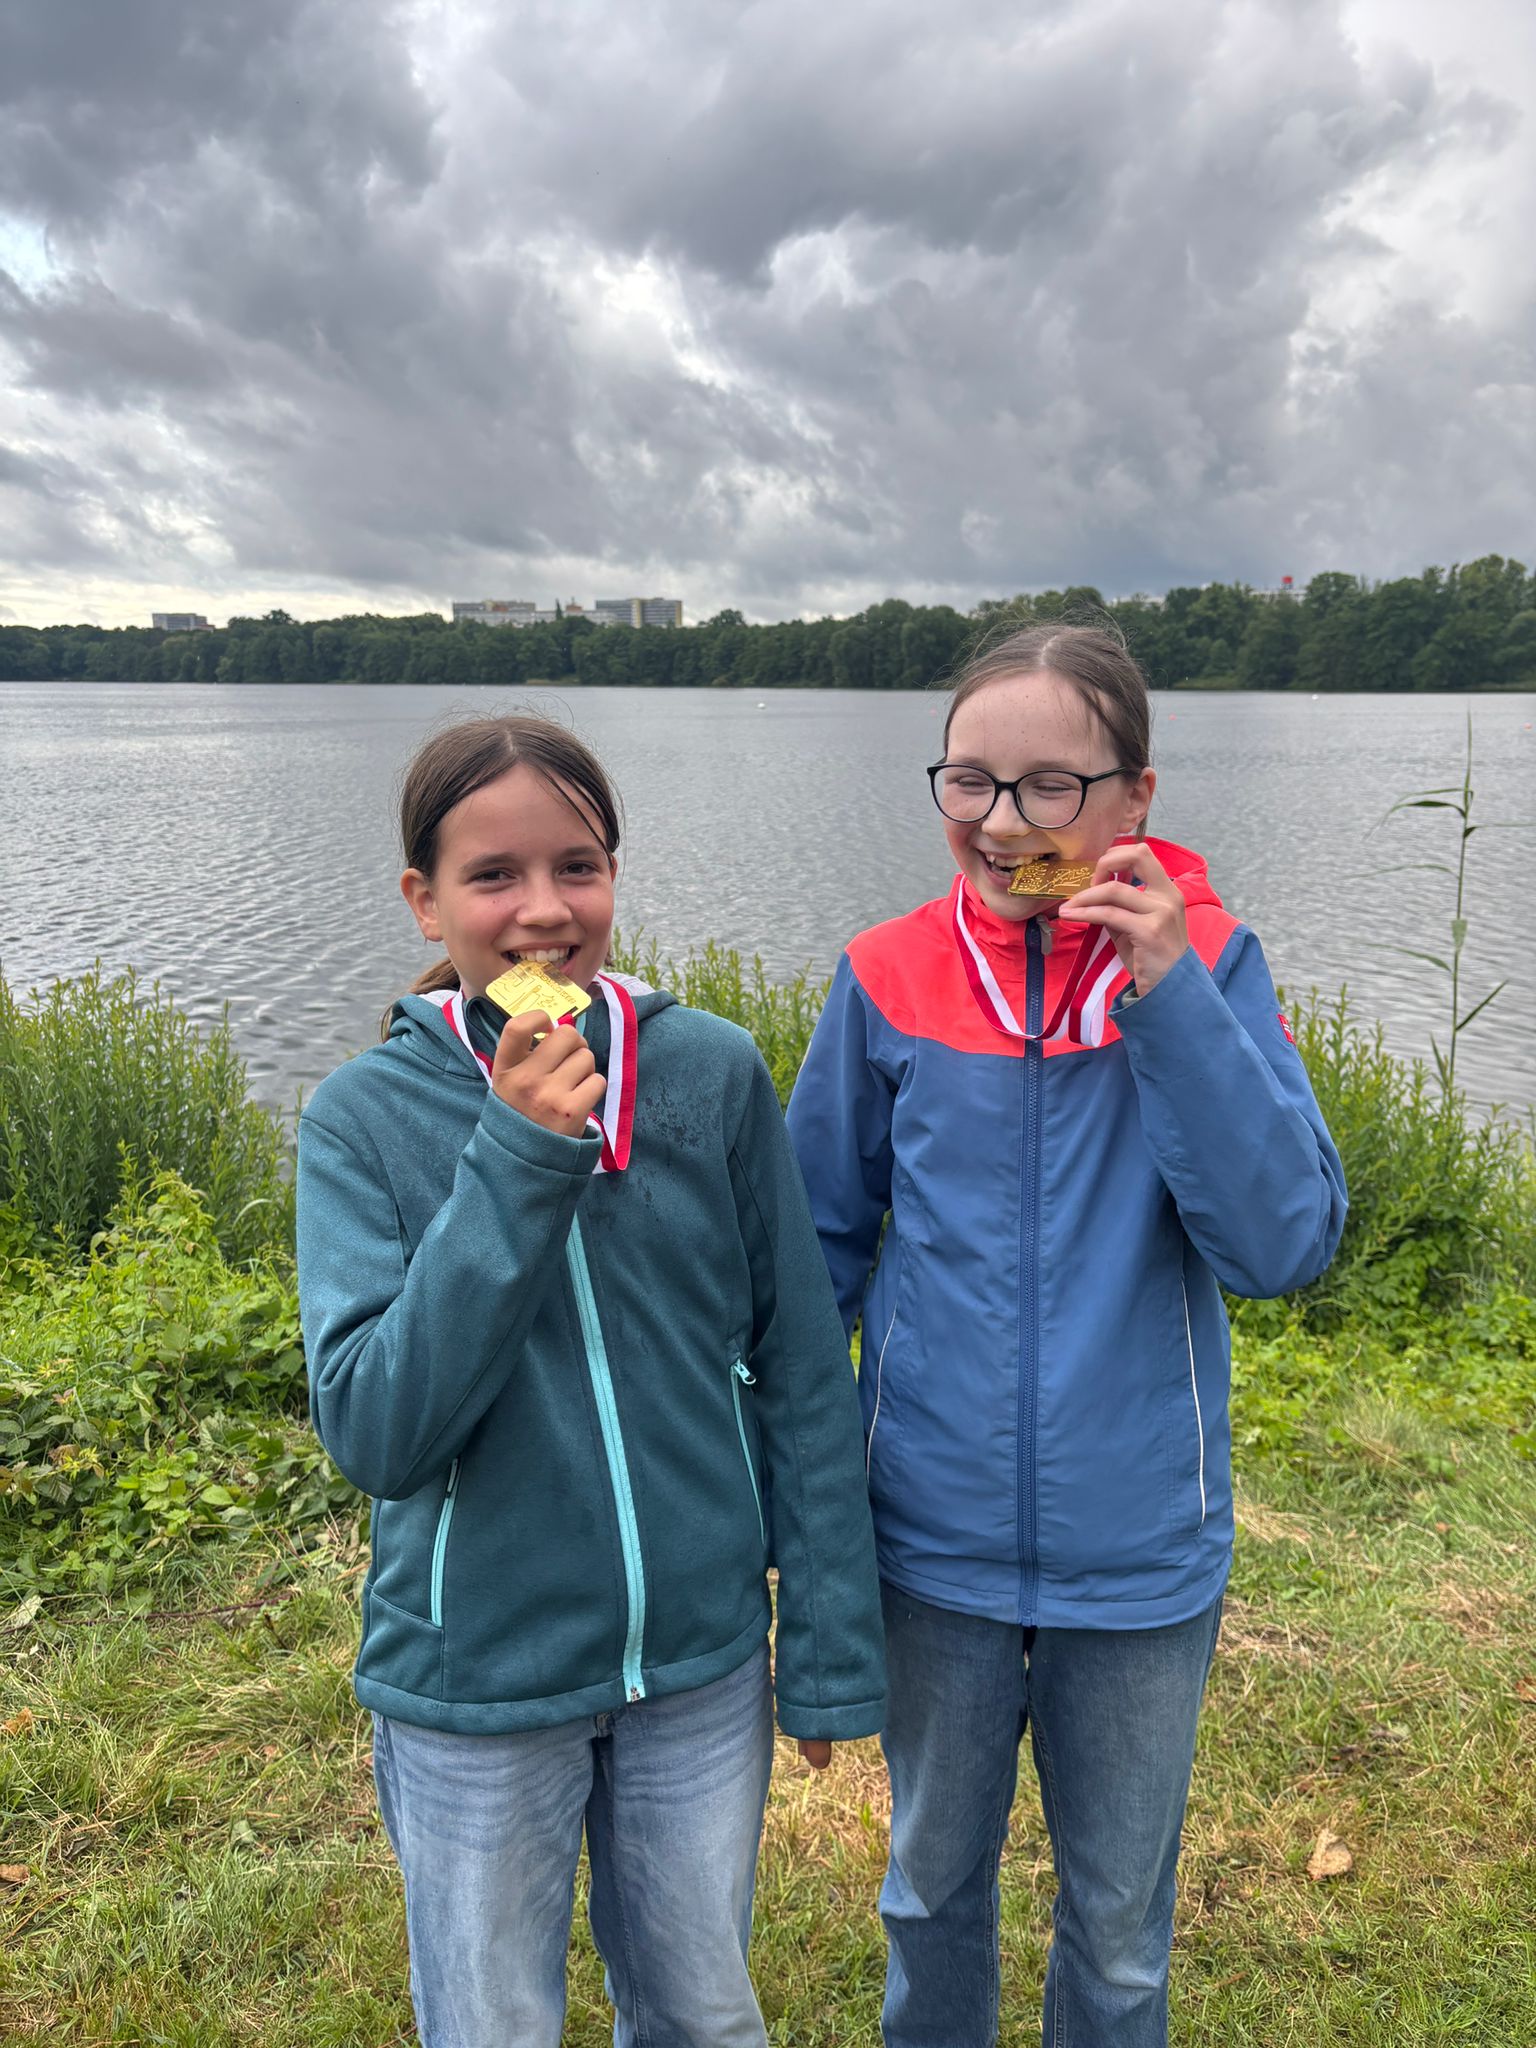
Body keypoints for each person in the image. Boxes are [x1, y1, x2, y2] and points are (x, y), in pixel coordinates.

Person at [786, 624, 1346, 2048]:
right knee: (927, 1894)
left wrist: (1170, 998)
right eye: (968, 781)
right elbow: (807, 1266)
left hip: (1139, 1549)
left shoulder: (1212, 966)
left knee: (1118, 1939)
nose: (1001, 822)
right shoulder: (885, 976)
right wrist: (783, 1494)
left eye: (1050, 786)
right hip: (932, 1542)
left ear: (1135, 797)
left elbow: (1282, 1245)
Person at [296, 712, 885, 2048]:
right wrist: (515, 1159)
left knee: (702, 2014)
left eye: (579, 866)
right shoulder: (360, 1121)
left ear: (615, 874)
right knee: (491, 2022)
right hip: (477, 1680)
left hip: (700, 1664)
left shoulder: (710, 1073)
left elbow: (801, 1365)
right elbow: (378, 1430)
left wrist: (830, 1648)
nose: (544, 911)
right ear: (424, 900)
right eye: (493, 876)